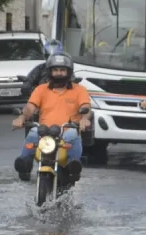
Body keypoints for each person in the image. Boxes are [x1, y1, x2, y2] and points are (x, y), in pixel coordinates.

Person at [12, 53, 92, 182]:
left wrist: (84, 119)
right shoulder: (40, 89)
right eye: (55, 70)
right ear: (50, 72)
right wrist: (22, 117)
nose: (59, 73)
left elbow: (86, 108)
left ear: (69, 71)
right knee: (32, 132)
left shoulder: (80, 90)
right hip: (44, 132)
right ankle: (24, 165)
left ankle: (73, 167)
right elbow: (30, 107)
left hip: (67, 131)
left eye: (62, 70)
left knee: (72, 133)